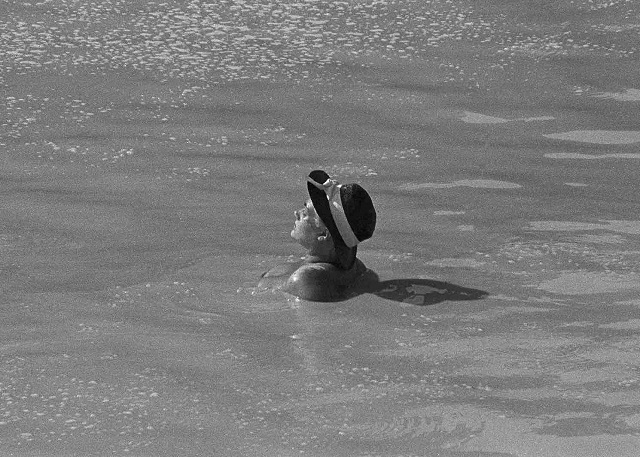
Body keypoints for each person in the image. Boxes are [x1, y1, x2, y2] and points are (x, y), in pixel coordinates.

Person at [259, 170, 377, 301]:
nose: (296, 213)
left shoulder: (306, 280)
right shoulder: (356, 268)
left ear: (323, 234)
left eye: (306, 212)